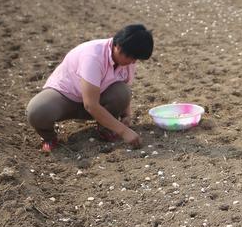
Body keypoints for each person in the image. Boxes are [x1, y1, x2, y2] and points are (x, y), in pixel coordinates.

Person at [26, 24, 154, 153]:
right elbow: (91, 105)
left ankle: (105, 128)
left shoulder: (126, 58)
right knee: (37, 111)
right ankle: (49, 138)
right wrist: (124, 131)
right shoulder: (93, 56)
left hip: (95, 101)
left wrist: (126, 115)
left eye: (136, 59)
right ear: (118, 47)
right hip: (66, 97)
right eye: (132, 57)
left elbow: (124, 86)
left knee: (122, 92)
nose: (133, 62)